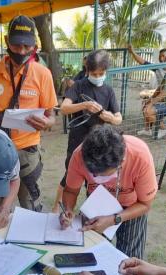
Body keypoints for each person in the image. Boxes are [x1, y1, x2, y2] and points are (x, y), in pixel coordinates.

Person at [0, 15, 58, 212]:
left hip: (29, 151)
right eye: (16, 46)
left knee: (30, 204)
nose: (22, 52)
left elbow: (52, 117)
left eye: (27, 47)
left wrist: (46, 123)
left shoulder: (43, 74)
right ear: (7, 41)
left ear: (34, 45)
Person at [60, 126, 157, 259]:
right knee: (91, 255)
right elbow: (70, 191)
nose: (97, 178)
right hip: (97, 206)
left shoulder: (140, 156)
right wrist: (68, 209)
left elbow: (145, 204)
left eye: (103, 175)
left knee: (129, 262)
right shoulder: (79, 155)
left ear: (120, 163)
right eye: (93, 174)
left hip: (133, 206)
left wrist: (115, 219)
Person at [53, 50, 122, 212]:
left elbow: (119, 118)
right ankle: (57, 211)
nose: (97, 77)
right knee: (69, 178)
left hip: (100, 145)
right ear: (87, 70)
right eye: (94, 73)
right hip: (78, 142)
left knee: (96, 181)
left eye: (101, 73)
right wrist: (84, 105)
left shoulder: (108, 91)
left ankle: (92, 213)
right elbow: (64, 108)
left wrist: (110, 118)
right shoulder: (79, 86)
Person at [138, 53, 166, 139]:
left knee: (148, 111)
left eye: (165, 61)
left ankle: (164, 129)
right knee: (145, 103)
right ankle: (147, 130)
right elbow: (159, 89)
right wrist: (150, 100)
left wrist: (151, 103)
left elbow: (164, 93)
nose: (163, 62)